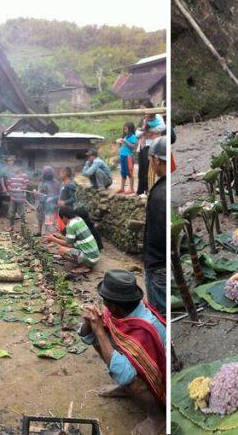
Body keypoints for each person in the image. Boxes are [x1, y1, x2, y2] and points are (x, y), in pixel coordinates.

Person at [79, 270, 166, 430]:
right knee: (103, 334)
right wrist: (89, 323)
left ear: (113, 304)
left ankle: (157, 417)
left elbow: (125, 376)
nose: (103, 303)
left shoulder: (144, 328)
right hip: (138, 365)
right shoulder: (121, 311)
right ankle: (125, 390)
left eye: (104, 300)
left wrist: (98, 331)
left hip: (162, 379)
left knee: (133, 383)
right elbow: (86, 337)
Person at [145, 138, 168, 315]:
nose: (150, 164)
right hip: (161, 264)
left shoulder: (161, 194)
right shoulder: (163, 187)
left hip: (158, 266)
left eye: (150, 160)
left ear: (157, 160)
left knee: (161, 316)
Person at [136, 102, 165, 195]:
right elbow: (137, 133)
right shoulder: (143, 119)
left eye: (143, 109)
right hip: (143, 146)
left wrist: (149, 131)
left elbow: (162, 127)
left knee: (150, 169)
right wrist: (145, 132)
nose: (142, 111)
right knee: (143, 169)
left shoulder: (157, 117)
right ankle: (142, 190)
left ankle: (150, 190)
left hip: (152, 145)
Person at [4, 160, 29, 232]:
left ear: (20, 168)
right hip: (13, 198)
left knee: (22, 214)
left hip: (21, 198)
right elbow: (8, 185)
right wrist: (11, 189)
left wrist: (20, 189)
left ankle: (23, 229)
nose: (15, 168)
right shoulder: (11, 175)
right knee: (11, 213)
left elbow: (26, 185)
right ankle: (11, 227)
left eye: (17, 167)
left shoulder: (24, 176)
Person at [36, 166, 60, 235]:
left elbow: (42, 196)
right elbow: (58, 194)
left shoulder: (44, 183)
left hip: (46, 205)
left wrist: (36, 194)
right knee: (44, 219)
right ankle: (40, 232)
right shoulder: (56, 182)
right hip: (54, 204)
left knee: (46, 220)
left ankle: (48, 235)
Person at [116, 121, 138, 195]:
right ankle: (122, 188)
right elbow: (124, 145)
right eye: (124, 129)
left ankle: (131, 189)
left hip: (128, 157)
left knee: (130, 173)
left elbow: (133, 146)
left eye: (126, 129)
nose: (124, 131)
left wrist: (125, 141)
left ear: (130, 129)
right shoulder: (125, 136)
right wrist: (121, 142)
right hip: (122, 156)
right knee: (123, 173)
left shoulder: (133, 137)